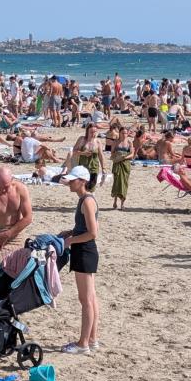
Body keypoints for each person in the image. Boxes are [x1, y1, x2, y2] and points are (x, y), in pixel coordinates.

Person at [57, 165, 100, 355]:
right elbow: (84, 228)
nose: (70, 183)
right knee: (91, 299)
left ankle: (83, 344)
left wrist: (70, 241)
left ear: (82, 182)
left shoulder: (87, 201)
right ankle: (92, 339)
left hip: (84, 251)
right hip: (84, 250)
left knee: (86, 300)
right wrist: (71, 232)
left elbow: (92, 233)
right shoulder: (84, 199)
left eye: (73, 180)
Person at [109, 121, 133, 209]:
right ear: (119, 133)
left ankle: (122, 203)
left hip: (125, 165)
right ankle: (115, 202)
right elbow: (112, 153)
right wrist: (117, 155)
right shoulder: (115, 142)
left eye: (126, 133)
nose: (124, 135)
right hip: (117, 164)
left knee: (124, 183)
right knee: (116, 183)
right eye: (122, 133)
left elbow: (132, 154)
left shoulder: (129, 143)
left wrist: (124, 158)